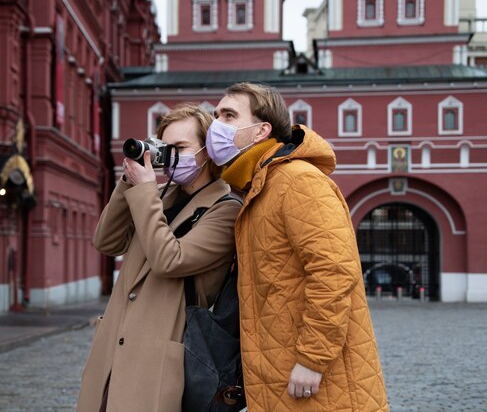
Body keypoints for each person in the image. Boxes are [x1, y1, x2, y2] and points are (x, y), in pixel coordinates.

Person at [207, 82, 389, 412]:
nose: (216, 124)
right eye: (215, 114)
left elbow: (333, 274)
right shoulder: (258, 187)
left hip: (312, 377)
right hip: (278, 371)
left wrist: (312, 359)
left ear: (261, 130)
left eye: (229, 115)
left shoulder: (296, 181)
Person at [76, 104, 241, 412]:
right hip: (115, 348)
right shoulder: (160, 197)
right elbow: (107, 241)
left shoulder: (225, 208)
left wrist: (145, 192)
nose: (170, 156)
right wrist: (129, 183)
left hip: (160, 358)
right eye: (165, 148)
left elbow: (170, 259)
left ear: (207, 151)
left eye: (180, 147)